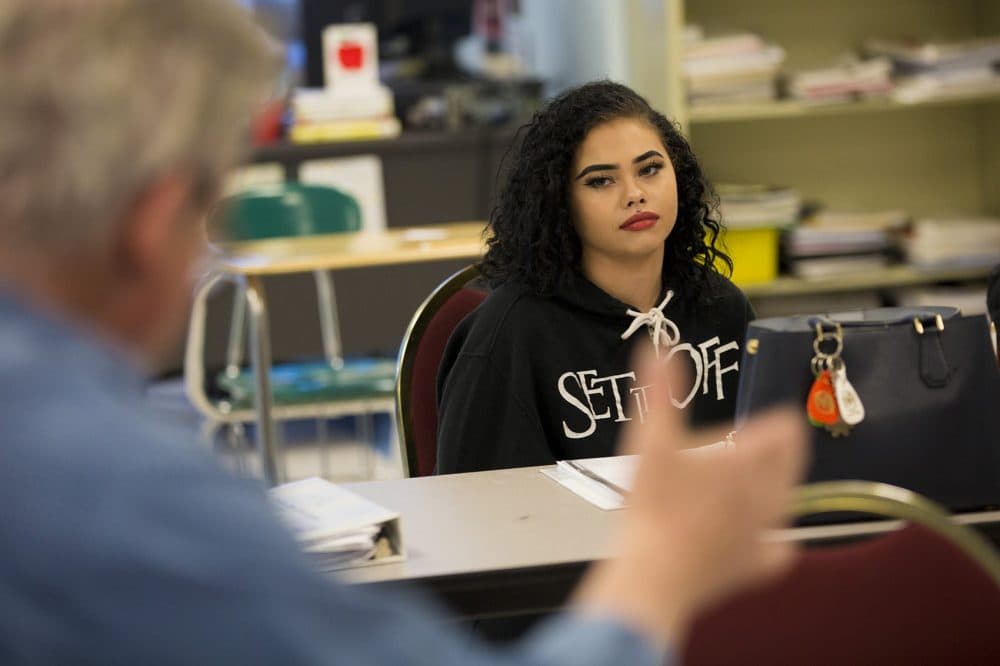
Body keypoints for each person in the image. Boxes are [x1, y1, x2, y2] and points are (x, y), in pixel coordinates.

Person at [0, 1, 806, 663]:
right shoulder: (129, 494)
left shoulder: (719, 307)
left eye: (651, 168)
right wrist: (658, 573)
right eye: (208, 207)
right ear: (152, 222)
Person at [436, 81, 752, 474]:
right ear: (558, 201)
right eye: (601, 180)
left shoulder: (722, 307)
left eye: (650, 169)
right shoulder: (509, 334)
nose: (634, 194)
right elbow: (476, 505)